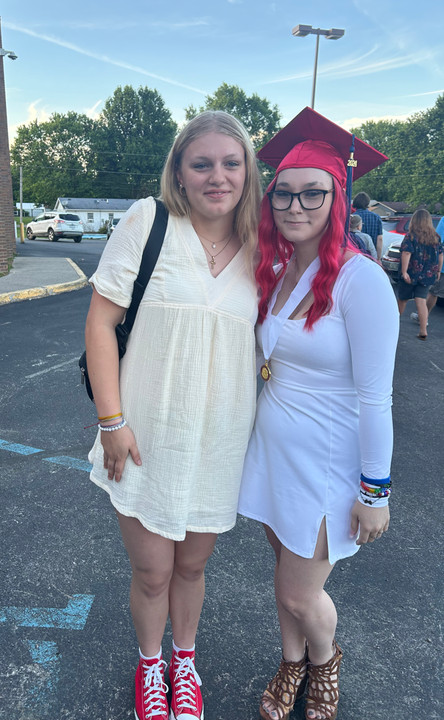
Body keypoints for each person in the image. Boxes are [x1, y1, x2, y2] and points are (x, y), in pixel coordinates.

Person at [84, 111, 261, 720]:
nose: (218, 176)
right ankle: (150, 663)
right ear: (179, 173)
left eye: (231, 163)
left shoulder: (263, 246)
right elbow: (100, 325)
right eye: (201, 163)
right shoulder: (149, 221)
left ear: (248, 172)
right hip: (144, 435)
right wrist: (112, 421)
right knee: (153, 570)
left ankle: (184, 663)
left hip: (219, 439)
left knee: (192, 566)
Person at [237, 107, 399, 720]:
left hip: (328, 464)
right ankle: (291, 661)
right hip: (274, 455)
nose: (295, 205)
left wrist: (375, 491)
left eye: (313, 193)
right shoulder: (278, 270)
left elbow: (376, 397)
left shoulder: (362, 281)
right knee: (284, 571)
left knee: (300, 593)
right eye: (283, 193)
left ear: (338, 198)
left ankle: (324, 661)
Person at [397, 208, 443, 340]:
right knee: (421, 301)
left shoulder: (411, 236)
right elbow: (441, 255)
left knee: (403, 300)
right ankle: (423, 330)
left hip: (411, 273)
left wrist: (404, 271)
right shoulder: (436, 237)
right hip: (428, 274)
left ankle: (395, 326)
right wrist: (438, 271)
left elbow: (407, 253)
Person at [352, 191, 383, 259]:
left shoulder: (352, 218)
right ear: (367, 203)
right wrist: (378, 257)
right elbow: (380, 238)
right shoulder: (376, 217)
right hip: (371, 255)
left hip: (356, 255)